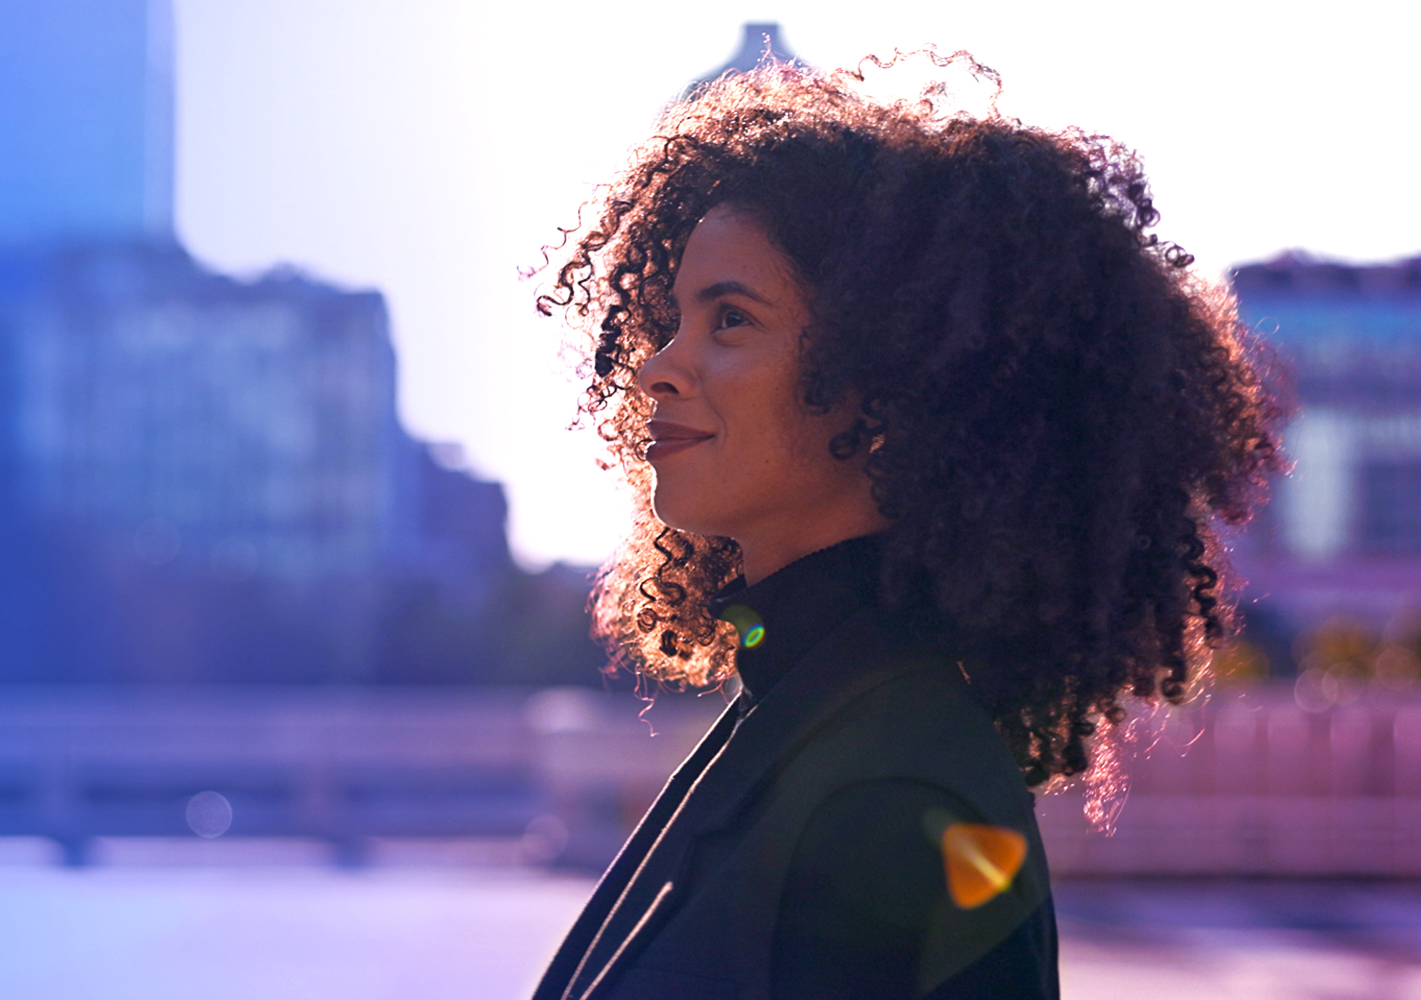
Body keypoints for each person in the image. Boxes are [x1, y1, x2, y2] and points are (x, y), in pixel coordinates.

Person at [529, 54, 1283, 1000]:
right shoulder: (807, 717)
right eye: (673, 319)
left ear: (884, 391)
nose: (658, 368)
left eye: (729, 320)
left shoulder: (889, 792)